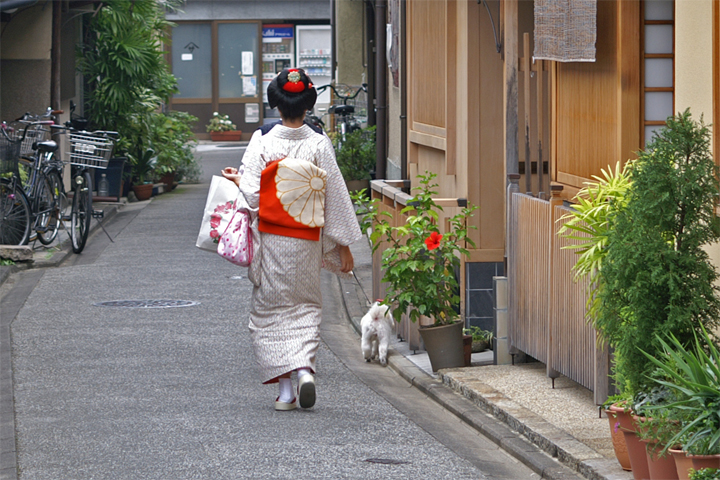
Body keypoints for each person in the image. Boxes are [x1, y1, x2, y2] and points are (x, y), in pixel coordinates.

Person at [222, 68, 362, 411]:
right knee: (305, 306)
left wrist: (240, 180)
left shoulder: (263, 141)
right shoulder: (318, 143)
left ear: (275, 102)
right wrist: (342, 244)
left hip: (272, 239)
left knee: (270, 310)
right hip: (306, 241)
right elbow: (335, 197)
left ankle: (286, 393)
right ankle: (304, 368)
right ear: (308, 103)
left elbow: (254, 197)